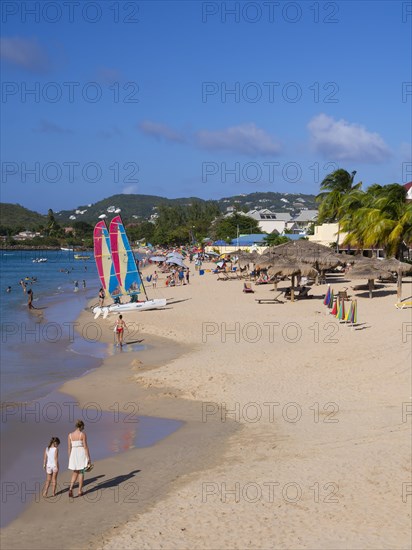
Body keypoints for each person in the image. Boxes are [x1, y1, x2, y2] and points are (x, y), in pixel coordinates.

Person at [68, 420, 91, 498]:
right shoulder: (82, 434)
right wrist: (88, 458)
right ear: (81, 426)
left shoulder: (70, 435)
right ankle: (79, 491)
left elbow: (69, 448)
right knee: (81, 472)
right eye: (83, 427)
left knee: (75, 472)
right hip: (81, 453)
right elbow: (85, 447)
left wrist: (70, 458)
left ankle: (71, 488)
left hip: (73, 453)